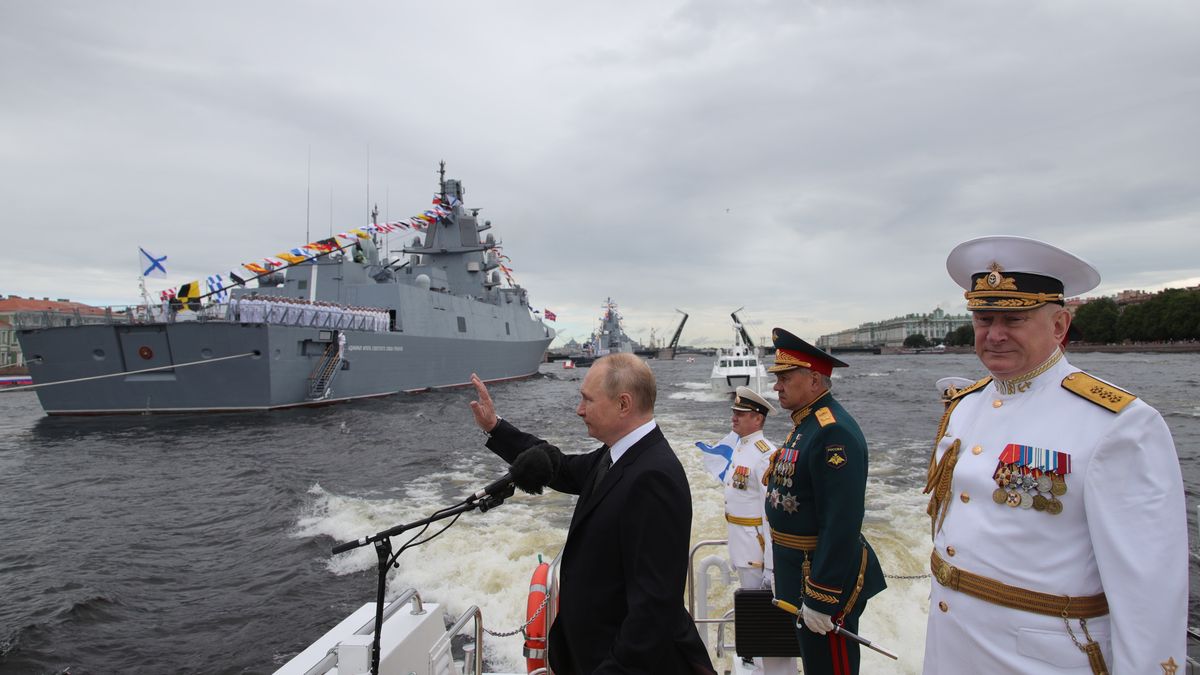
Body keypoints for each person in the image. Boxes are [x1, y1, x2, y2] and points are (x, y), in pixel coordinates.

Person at [923, 235, 1187, 674]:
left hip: (1044, 659)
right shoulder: (964, 405)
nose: (995, 334)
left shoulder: (1119, 424)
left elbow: (1150, 587)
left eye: (1014, 319)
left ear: (1060, 326)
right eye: (984, 319)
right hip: (950, 645)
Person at [469, 353, 716, 675]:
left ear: (623, 404)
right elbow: (563, 469)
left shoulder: (653, 477)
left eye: (587, 400)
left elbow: (654, 607)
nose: (579, 410)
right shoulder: (616, 456)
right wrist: (496, 428)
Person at [764, 329, 885, 675]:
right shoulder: (806, 425)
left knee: (831, 667)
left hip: (821, 580)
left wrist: (821, 597)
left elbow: (841, 521)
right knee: (816, 663)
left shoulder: (833, 432)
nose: (777, 386)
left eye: (785, 378)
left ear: (815, 380)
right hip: (798, 571)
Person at [720, 386, 795, 675]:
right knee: (754, 614)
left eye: (742, 414)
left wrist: (772, 566)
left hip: (758, 549)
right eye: (734, 412)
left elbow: (771, 513)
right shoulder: (742, 447)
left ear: (758, 419)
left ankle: (774, 670)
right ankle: (757, 663)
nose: (734, 418)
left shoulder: (765, 455)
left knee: (767, 617)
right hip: (742, 544)